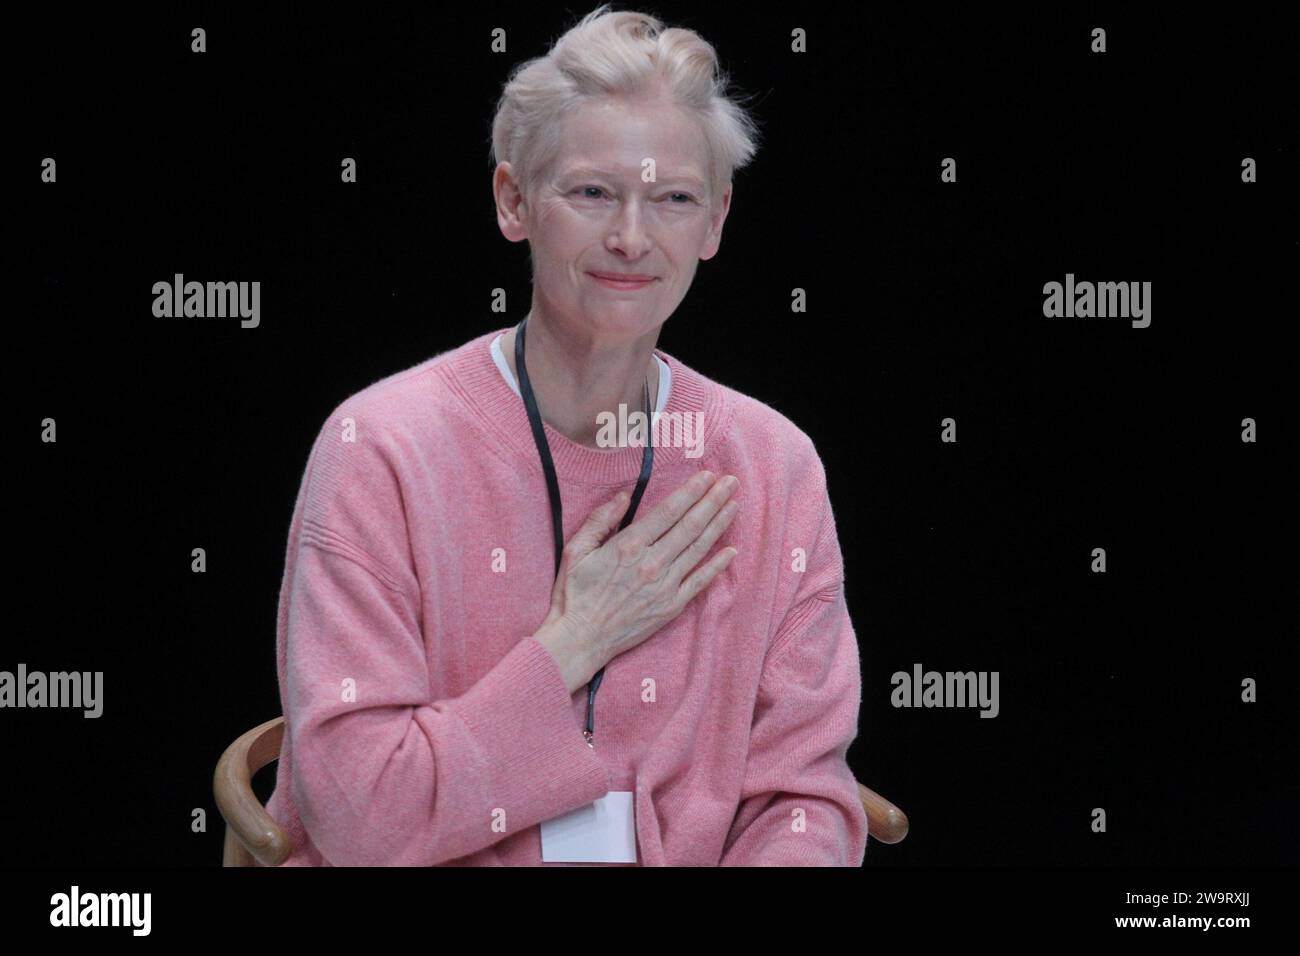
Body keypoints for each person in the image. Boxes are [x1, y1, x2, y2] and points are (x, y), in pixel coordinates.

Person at [260, 4, 868, 866]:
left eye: (673, 199)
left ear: (716, 222)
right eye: (591, 192)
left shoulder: (775, 467)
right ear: (514, 201)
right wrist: (575, 641)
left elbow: (802, 802)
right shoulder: (381, 448)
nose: (630, 236)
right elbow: (361, 817)